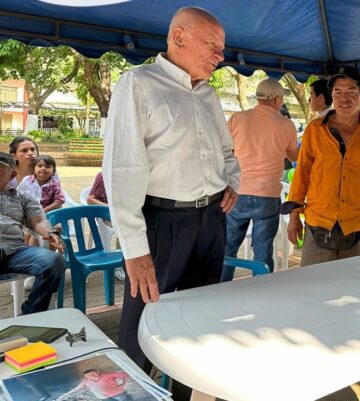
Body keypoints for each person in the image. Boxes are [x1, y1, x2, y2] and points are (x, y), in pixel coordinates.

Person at [101, 7, 240, 397]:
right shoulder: (139, 83)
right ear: (178, 38)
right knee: (143, 322)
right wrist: (134, 248)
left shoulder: (210, 94)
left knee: (198, 319)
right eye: (212, 46)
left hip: (211, 220)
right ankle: (131, 393)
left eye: (221, 49)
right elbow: (122, 168)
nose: (220, 56)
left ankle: (183, 394)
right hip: (161, 221)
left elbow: (228, 153)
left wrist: (231, 181)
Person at [284, 66, 360, 266]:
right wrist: (294, 216)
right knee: (311, 285)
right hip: (319, 224)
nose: (344, 98)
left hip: (357, 225)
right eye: (338, 92)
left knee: (351, 287)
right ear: (332, 96)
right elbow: (302, 173)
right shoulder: (315, 130)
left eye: (351, 91)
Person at [224, 79, 298, 277]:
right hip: (267, 194)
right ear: (277, 100)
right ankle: (262, 291)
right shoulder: (287, 125)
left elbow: (226, 152)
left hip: (237, 191)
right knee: (263, 249)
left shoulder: (236, 119)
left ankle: (220, 289)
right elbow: (294, 158)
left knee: (227, 247)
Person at [0, 152, 66, 315]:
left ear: (12, 174)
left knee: (54, 261)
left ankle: (29, 315)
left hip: (15, 250)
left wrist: (51, 233)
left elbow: (38, 221)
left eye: (0, 169)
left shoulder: (23, 197)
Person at [58, 369, 132, 401]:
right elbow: (77, 388)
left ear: (98, 372)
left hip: (118, 394)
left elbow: (126, 375)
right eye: (88, 375)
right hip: (103, 398)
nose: (91, 376)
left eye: (92, 374)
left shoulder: (107, 375)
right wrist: (65, 395)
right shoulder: (86, 381)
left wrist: (123, 384)